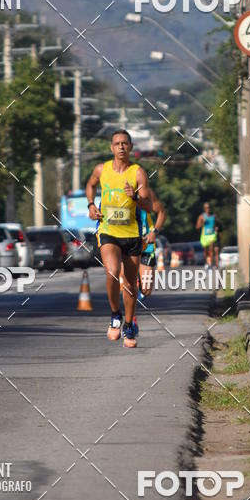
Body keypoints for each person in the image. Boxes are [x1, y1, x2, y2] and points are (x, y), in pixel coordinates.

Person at [86, 130, 152, 349]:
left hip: (132, 234)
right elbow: (91, 185)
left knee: (131, 285)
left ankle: (129, 324)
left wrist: (134, 196)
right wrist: (91, 205)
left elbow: (148, 205)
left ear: (131, 147)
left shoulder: (138, 173)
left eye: (125, 143)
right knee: (112, 272)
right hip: (108, 231)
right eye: (117, 144)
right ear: (111, 148)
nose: (121, 147)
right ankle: (115, 314)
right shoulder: (101, 169)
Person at [195, 201, 219, 267]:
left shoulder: (214, 216)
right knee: (205, 251)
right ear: (204, 209)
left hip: (212, 235)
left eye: (209, 208)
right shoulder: (201, 217)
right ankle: (206, 262)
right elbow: (197, 227)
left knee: (211, 249)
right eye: (206, 208)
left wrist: (216, 228)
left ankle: (210, 263)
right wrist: (203, 223)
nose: (208, 209)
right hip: (204, 235)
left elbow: (217, 224)